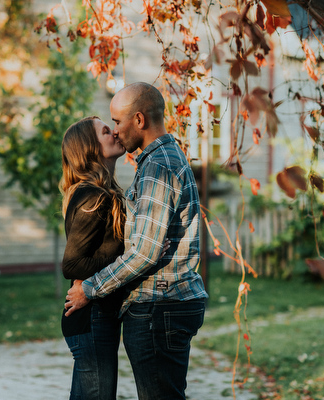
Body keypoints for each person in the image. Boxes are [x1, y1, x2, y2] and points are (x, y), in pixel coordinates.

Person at [64, 82, 209, 400]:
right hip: (165, 302)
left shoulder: (158, 166)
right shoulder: (160, 162)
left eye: (116, 122)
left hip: (160, 304)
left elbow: (145, 250)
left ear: (139, 120)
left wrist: (89, 289)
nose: (115, 131)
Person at [59, 116, 127, 400]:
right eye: (106, 131)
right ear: (90, 147)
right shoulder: (93, 197)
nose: (115, 132)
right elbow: (72, 264)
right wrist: (124, 252)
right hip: (91, 318)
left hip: (96, 315)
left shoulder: (101, 193)